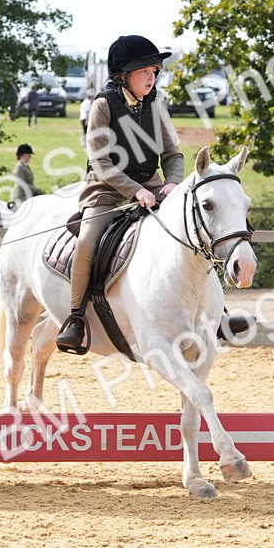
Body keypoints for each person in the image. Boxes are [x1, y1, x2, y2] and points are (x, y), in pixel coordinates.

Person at [55, 35, 186, 353]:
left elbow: (173, 155)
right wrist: (135, 190)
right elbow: (101, 162)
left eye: (155, 70)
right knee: (87, 241)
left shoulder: (157, 105)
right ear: (123, 75)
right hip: (107, 188)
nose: (152, 77)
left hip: (152, 185)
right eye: (144, 71)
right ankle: (75, 318)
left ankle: (217, 312)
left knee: (191, 223)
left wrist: (171, 182)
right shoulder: (102, 106)